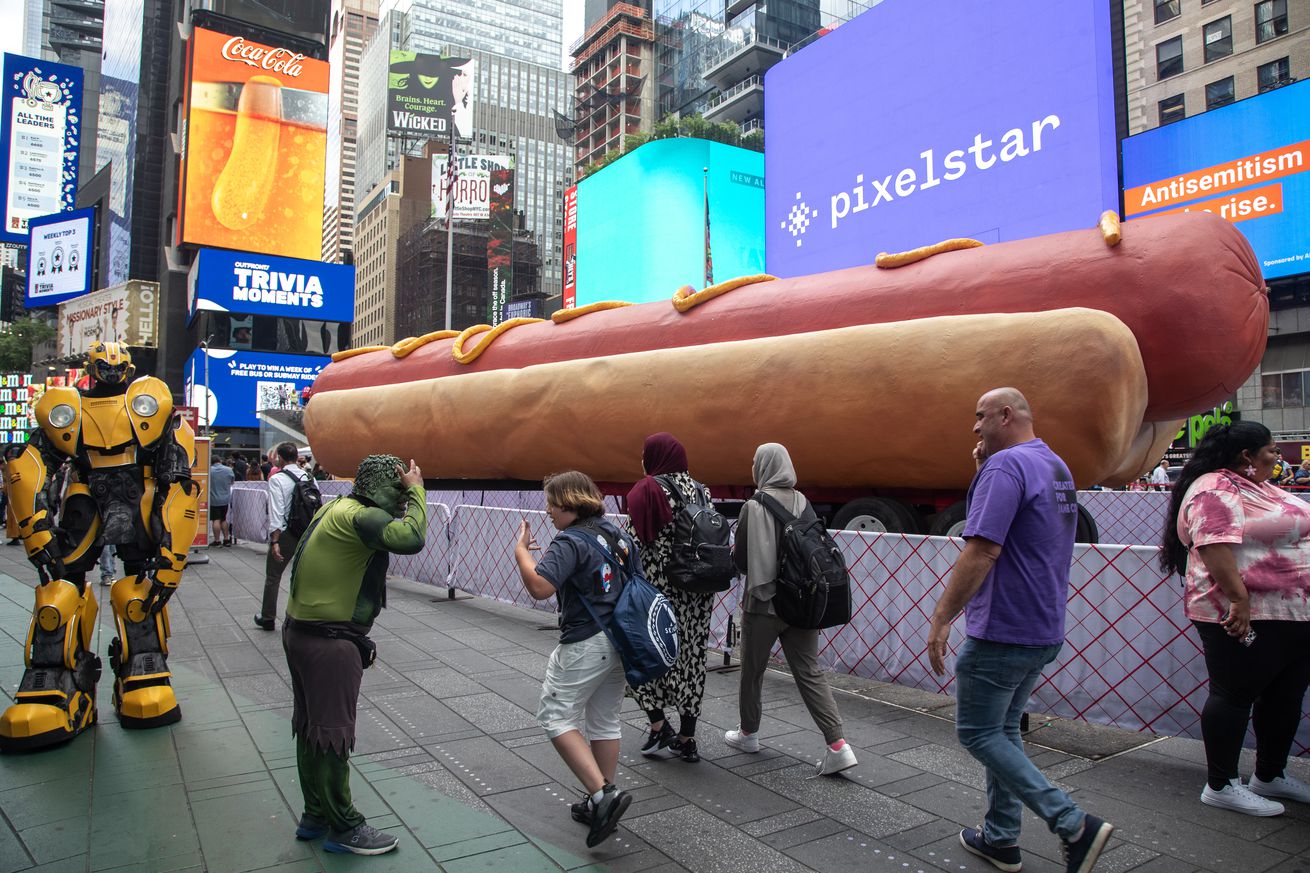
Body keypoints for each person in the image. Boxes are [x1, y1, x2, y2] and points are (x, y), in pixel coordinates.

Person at [926, 387, 1113, 873]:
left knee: (977, 732)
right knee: (1004, 730)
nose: (974, 427)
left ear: (1005, 415)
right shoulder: (1054, 465)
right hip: (1043, 626)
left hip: (1003, 628)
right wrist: (981, 471)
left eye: (980, 416)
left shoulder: (1006, 467)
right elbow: (1024, 529)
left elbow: (982, 549)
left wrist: (943, 617)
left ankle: (1071, 823)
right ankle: (1001, 838)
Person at [1159, 420, 1310, 817]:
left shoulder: (1257, 486)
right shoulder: (1214, 488)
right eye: (1273, 451)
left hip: (1292, 612)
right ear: (1247, 456)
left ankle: (1270, 775)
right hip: (1242, 614)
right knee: (1234, 695)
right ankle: (1222, 784)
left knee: (1284, 696)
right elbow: (1213, 545)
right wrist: (1239, 601)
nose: (1278, 458)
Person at [283, 454, 426, 856]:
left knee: (311, 728)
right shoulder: (362, 518)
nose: (400, 500)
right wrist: (417, 491)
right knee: (331, 735)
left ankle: (315, 814)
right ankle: (344, 825)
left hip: (301, 632)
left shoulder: (336, 506)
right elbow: (411, 538)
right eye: (396, 491)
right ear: (376, 487)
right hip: (330, 643)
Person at [512, 471, 632, 848]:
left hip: (586, 640)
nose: (547, 510)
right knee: (604, 719)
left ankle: (602, 795)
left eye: (552, 503)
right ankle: (601, 799)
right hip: (621, 639)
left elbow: (539, 587)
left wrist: (521, 552)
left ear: (569, 503)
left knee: (555, 715)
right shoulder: (618, 534)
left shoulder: (570, 540)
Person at [725, 442, 858, 776]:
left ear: (763, 467)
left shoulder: (752, 506)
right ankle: (838, 745)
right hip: (802, 602)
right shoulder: (803, 501)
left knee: (752, 671)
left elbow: (741, 561)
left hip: (763, 604)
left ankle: (748, 733)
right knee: (809, 671)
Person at [626, 433, 716, 763]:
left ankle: (658, 724)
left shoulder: (650, 488)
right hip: (698, 591)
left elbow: (635, 539)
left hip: (659, 593)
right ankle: (687, 739)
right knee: (691, 659)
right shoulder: (703, 490)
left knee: (642, 654)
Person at [257, 442, 311, 631]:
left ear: (280, 457)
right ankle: (301, 617)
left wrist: (275, 541)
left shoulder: (277, 479)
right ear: (296, 456)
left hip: (287, 534)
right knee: (303, 576)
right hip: (307, 533)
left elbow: (277, 512)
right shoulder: (309, 476)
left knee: (273, 576)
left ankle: (268, 617)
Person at [209, 454, 236, 546]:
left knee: (216, 520)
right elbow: (232, 482)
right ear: (220, 461)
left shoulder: (209, 471)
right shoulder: (229, 470)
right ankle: (226, 539)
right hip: (225, 499)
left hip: (213, 499)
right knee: (223, 519)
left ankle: (217, 540)